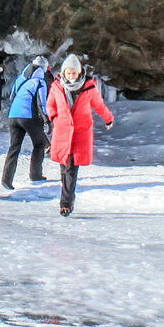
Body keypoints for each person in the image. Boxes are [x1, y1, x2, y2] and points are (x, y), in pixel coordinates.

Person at [44, 54, 113, 217]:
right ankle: (68, 197)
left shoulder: (89, 87)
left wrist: (108, 119)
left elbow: (99, 105)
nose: (71, 76)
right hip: (62, 132)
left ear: (79, 72)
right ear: (63, 73)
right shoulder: (56, 87)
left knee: (71, 169)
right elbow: (50, 105)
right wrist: (54, 117)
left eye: (74, 73)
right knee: (64, 168)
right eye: (68, 73)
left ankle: (66, 203)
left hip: (80, 133)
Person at [1, 55, 53, 190]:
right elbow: (42, 103)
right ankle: (35, 174)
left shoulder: (21, 79)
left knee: (14, 147)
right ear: (44, 68)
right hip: (28, 116)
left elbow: (12, 96)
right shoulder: (40, 81)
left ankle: (6, 179)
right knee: (39, 143)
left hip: (13, 115)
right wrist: (47, 120)